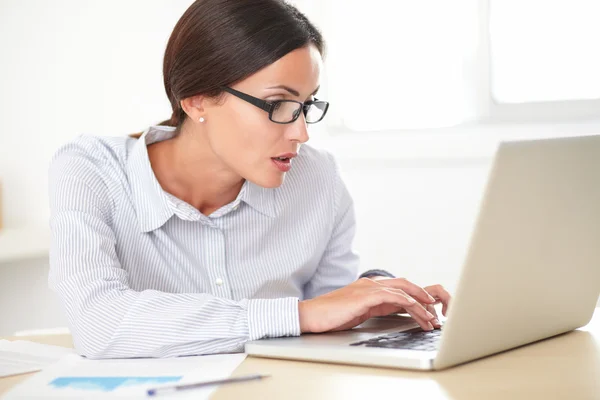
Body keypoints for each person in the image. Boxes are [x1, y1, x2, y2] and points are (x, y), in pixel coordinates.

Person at [48, 0, 451, 359]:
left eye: (306, 105)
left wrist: (372, 298)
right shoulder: (91, 169)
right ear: (196, 99)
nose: (301, 133)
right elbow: (98, 324)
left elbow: (329, 313)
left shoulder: (318, 178)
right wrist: (299, 314)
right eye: (277, 104)